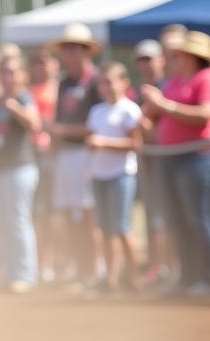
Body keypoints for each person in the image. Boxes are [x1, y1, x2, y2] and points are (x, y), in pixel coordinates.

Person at [141, 31, 210, 296]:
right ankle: (186, 279)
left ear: (192, 56)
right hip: (172, 156)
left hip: (197, 156)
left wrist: (164, 105)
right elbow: (157, 113)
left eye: (179, 53)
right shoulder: (177, 80)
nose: (174, 57)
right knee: (177, 220)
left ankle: (207, 279)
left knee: (198, 219)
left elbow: (208, 114)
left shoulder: (208, 79)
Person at [48, 23, 102, 284]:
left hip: (87, 156)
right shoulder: (64, 83)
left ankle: (94, 269)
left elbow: (100, 125)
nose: (67, 53)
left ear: (85, 51)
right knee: (70, 215)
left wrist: (63, 130)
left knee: (89, 215)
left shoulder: (96, 82)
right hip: (67, 155)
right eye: (65, 48)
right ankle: (81, 268)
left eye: (72, 48)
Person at [0, 55, 41, 292]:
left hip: (20, 168)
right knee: (3, 223)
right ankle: (10, 274)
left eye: (13, 72)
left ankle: (26, 275)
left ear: (23, 75)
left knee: (18, 221)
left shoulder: (23, 97)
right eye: (5, 71)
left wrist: (17, 110)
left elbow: (35, 124)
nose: (9, 77)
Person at [86, 63, 143, 292]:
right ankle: (111, 278)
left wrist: (104, 143)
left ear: (124, 83)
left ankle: (133, 277)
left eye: (110, 82)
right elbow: (91, 142)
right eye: (103, 83)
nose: (106, 87)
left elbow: (135, 143)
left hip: (121, 174)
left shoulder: (129, 110)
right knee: (107, 229)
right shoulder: (97, 111)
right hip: (100, 174)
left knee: (122, 228)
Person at [133, 39, 169, 284]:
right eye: (141, 60)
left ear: (161, 60)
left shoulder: (167, 87)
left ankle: (163, 266)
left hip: (165, 159)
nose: (145, 65)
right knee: (152, 216)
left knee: (161, 217)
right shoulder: (139, 91)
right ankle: (156, 265)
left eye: (150, 59)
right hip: (146, 160)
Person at [28, 49, 59, 282]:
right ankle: (42, 261)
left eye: (45, 62)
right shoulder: (29, 90)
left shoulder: (59, 89)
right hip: (32, 153)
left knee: (52, 212)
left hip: (53, 154)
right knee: (38, 212)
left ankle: (54, 260)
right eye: (38, 62)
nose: (42, 67)